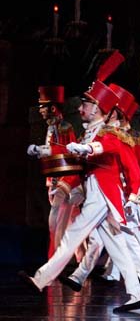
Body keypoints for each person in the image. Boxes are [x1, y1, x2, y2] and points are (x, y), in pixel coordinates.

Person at [19, 52, 140, 313]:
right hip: (94, 191)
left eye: (85, 105)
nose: (80, 109)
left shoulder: (109, 133)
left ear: (98, 109)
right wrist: (43, 151)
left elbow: (105, 147)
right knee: (116, 245)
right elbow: (68, 151)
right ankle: (136, 293)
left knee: (73, 234)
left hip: (103, 194)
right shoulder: (89, 132)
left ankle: (41, 279)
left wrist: (87, 149)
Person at [58, 83, 140, 300]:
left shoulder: (131, 137)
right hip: (110, 194)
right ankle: (93, 275)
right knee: (107, 237)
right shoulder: (103, 134)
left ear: (116, 114)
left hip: (127, 195)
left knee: (134, 238)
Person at [26, 85, 79, 258]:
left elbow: (68, 152)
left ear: (53, 108)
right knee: (71, 222)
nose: (40, 110)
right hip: (54, 180)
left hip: (65, 180)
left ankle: (54, 261)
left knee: (56, 221)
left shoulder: (65, 127)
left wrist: (44, 150)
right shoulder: (51, 128)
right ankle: (81, 260)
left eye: (43, 106)